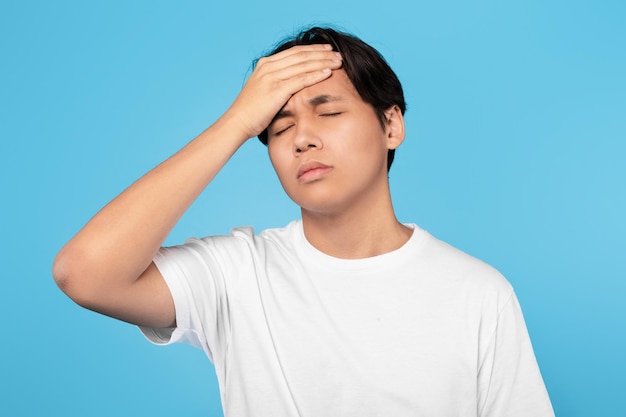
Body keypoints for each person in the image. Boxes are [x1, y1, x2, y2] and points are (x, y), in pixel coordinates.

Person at [53, 27, 554, 416]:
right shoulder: (236, 274)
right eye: (279, 126)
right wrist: (236, 123)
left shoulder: (478, 293)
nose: (301, 138)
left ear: (391, 125)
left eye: (328, 112)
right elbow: (85, 272)